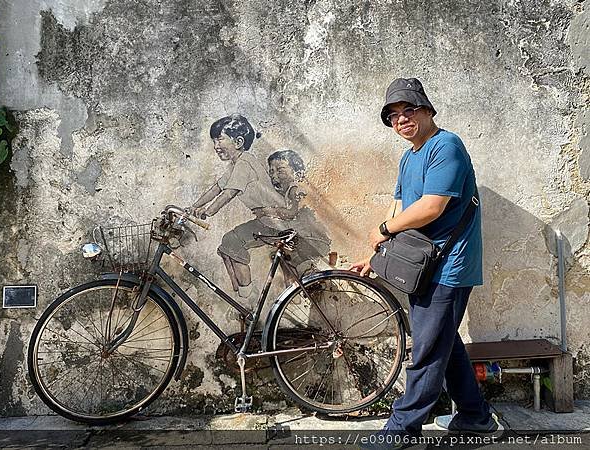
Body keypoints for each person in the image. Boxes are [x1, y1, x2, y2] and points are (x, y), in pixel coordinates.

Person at [349, 78, 500, 446]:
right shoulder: (408, 156)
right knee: (442, 342)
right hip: (422, 267)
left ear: (428, 110)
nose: (401, 119)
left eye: (409, 110)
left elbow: (432, 206)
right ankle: (474, 416)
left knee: (428, 349)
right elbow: (400, 207)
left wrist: (383, 228)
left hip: (449, 266)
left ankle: (402, 429)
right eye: (393, 115)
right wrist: (377, 255)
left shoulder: (445, 145)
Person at [187, 114, 286, 300]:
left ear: (239, 141)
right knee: (227, 246)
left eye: (220, 139)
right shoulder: (235, 165)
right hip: (266, 219)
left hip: (274, 221)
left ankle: (250, 298)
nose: (216, 146)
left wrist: (208, 212)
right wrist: (193, 206)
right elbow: (217, 188)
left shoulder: (245, 163)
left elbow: (228, 193)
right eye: (214, 141)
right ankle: (242, 296)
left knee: (232, 242)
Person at [254, 149, 331, 283]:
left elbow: (291, 213)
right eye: (271, 171)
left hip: (313, 240)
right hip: (306, 239)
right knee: (280, 252)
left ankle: (308, 276)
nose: (274, 176)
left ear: (297, 173)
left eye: (280, 171)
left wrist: (266, 211)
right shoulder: (289, 191)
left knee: (287, 250)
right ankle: (294, 288)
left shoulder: (295, 189)